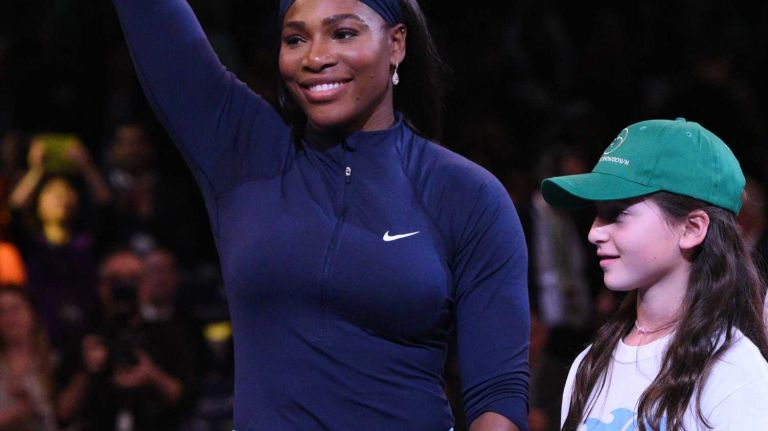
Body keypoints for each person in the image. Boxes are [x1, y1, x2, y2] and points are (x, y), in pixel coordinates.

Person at [111, 0, 530, 429]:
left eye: (343, 33)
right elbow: (153, 17)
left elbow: (496, 395)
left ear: (396, 45)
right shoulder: (242, 153)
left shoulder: (466, 194)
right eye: (295, 39)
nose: (314, 58)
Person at [540, 118, 768, 430]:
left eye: (617, 213)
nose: (594, 232)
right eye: (596, 213)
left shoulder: (732, 372)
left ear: (691, 228)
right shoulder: (590, 364)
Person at [0, 286, 57, 431]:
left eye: (15, 309)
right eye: (2, 311)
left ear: (32, 312)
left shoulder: (53, 360)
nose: (9, 318)